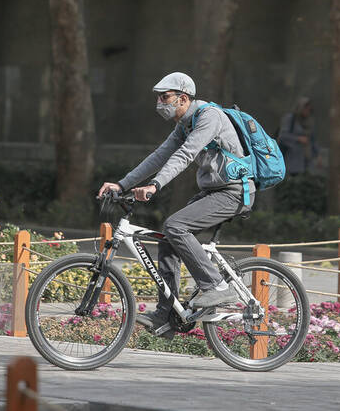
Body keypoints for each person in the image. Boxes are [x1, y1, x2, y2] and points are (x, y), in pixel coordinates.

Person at [97, 72, 254, 337]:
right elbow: (159, 156)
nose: (159, 102)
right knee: (167, 238)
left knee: (176, 226)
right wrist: (122, 184)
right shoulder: (184, 124)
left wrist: (155, 185)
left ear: (183, 98)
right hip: (213, 191)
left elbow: (186, 154)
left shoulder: (209, 117)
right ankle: (167, 315)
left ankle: (216, 287)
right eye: (159, 97)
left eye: (165, 97)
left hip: (234, 192)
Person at [277, 96, 319, 175]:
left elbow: (313, 140)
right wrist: (298, 138)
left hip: (306, 161)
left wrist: (317, 155)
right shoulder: (290, 119)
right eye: (305, 108)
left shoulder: (309, 122)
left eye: (309, 109)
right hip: (291, 160)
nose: (307, 111)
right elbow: (282, 136)